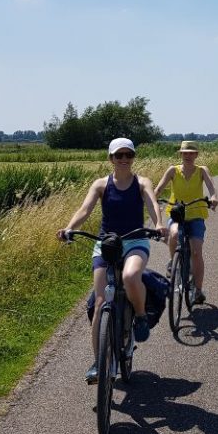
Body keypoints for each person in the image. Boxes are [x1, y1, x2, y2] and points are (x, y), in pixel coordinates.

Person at [57, 138, 166, 384]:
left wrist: (158, 224)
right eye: (119, 155)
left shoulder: (142, 182)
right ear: (111, 159)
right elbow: (85, 209)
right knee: (99, 302)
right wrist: (70, 228)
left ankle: (139, 316)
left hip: (135, 241)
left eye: (129, 155)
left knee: (129, 276)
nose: (124, 159)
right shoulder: (101, 184)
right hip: (106, 244)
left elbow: (152, 203)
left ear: (133, 157)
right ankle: (99, 363)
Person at [154, 140, 218, 305]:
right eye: (185, 153)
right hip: (177, 213)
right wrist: (153, 197)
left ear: (196, 155)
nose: (188, 156)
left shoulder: (202, 170)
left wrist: (213, 198)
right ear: (181, 154)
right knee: (174, 234)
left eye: (191, 153)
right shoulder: (173, 170)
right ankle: (173, 262)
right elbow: (159, 188)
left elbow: (211, 188)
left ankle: (198, 290)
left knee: (196, 252)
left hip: (197, 214)